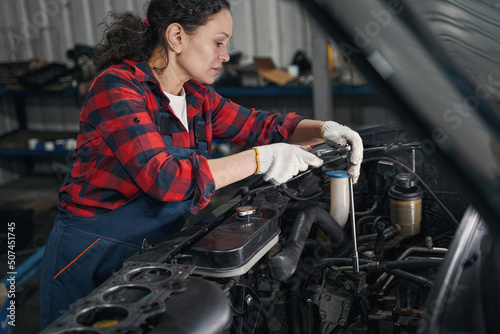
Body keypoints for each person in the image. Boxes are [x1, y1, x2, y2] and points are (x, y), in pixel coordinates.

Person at [39, 0, 363, 329]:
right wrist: (260, 159)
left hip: (155, 248)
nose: (225, 55)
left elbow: (261, 126)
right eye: (218, 42)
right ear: (177, 37)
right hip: (92, 252)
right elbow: (164, 177)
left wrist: (323, 129)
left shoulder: (196, 96)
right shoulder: (116, 88)